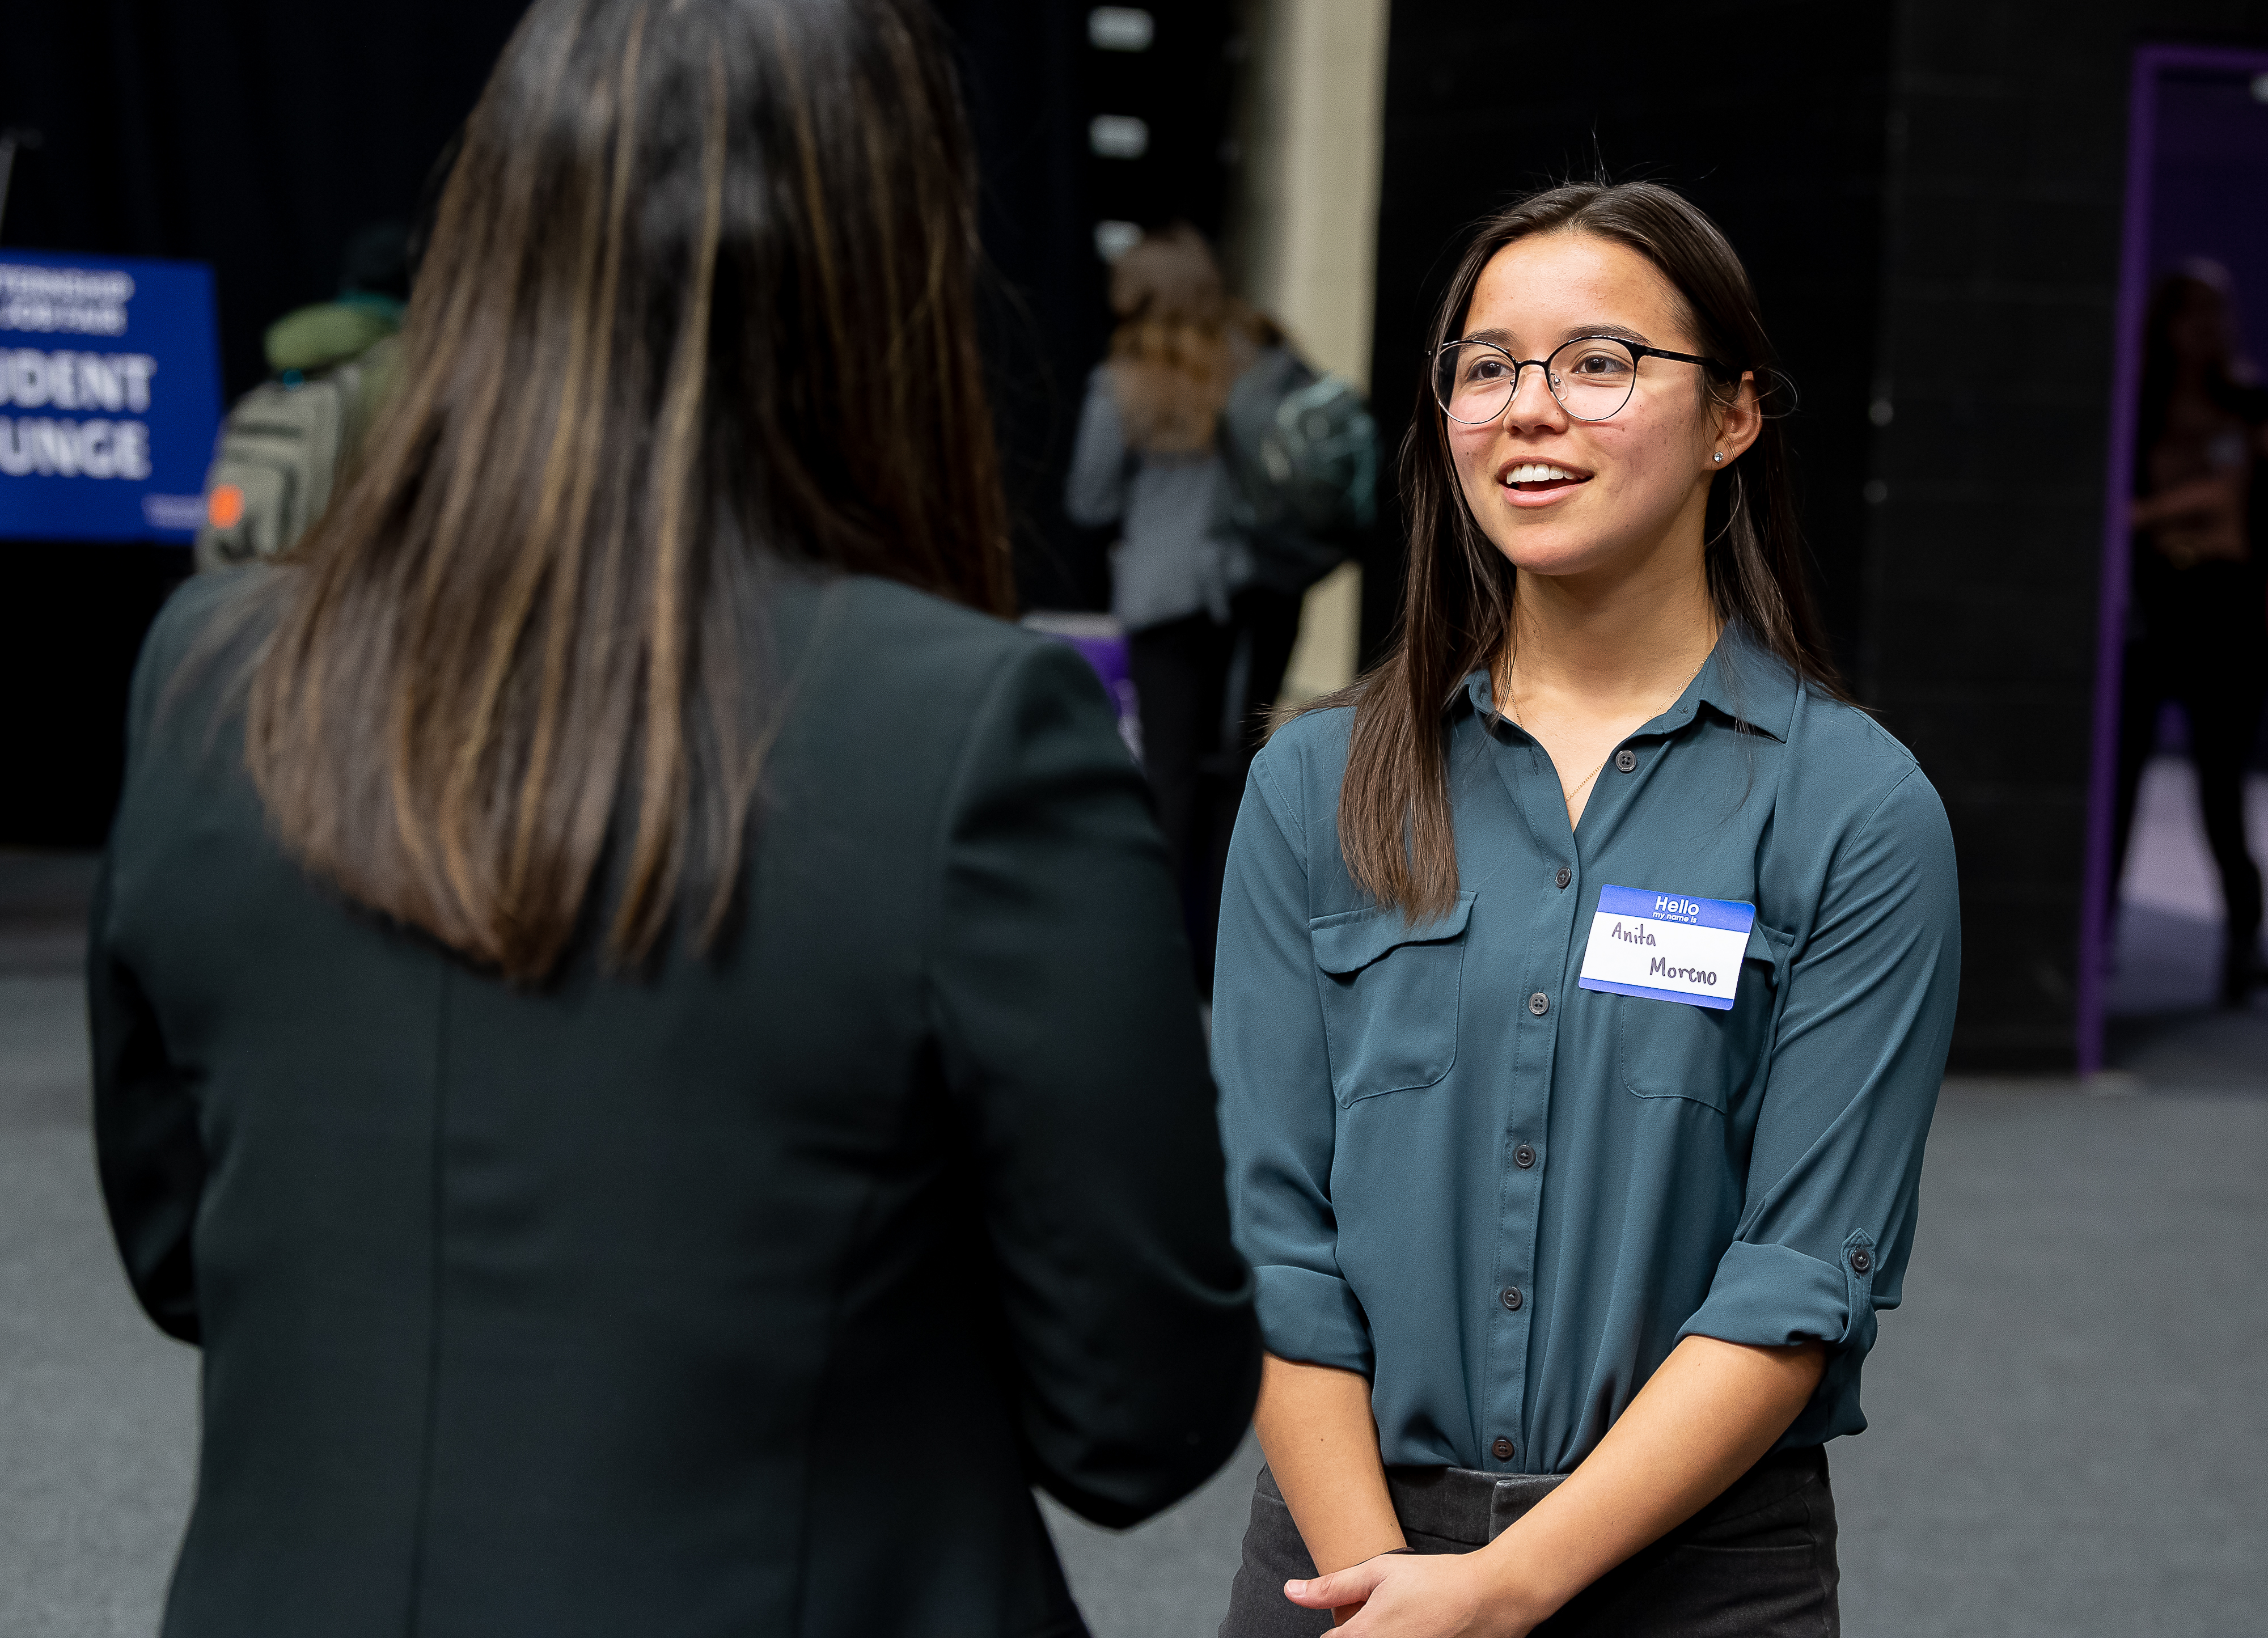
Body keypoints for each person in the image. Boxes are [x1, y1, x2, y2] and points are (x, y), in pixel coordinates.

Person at [87, 3, 1259, 1635]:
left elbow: (178, 1255)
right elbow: (1140, 1414)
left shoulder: (211, 672)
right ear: (890, 263)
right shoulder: (971, 732)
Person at [1212, 181, 1960, 1636]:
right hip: (1341, 1548)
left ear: (1732, 417)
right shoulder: (1314, 784)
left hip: (1695, 1564)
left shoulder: (1853, 810)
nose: (1527, 408)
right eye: (1485, 367)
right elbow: (1270, 1237)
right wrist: (1392, 1587)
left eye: (1598, 361)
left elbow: (1799, 1275)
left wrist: (1503, 1588)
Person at [1064, 225, 1308, 989]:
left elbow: (1089, 499)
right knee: (1245, 773)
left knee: (1167, 774)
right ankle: (1239, 957)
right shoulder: (1266, 363)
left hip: (1166, 595)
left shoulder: (1125, 380)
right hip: (1261, 593)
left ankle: (1160, 964)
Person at [2112, 261, 2268, 1006]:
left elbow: (2234, 516)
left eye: (2220, 310)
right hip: (2152, 612)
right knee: (2117, 786)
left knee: (2220, 794)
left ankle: (2243, 942)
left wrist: (2150, 515)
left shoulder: (2246, 404)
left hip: (2226, 615)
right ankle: (2097, 932)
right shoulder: (2135, 406)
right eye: (2193, 311)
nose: (2208, 327)